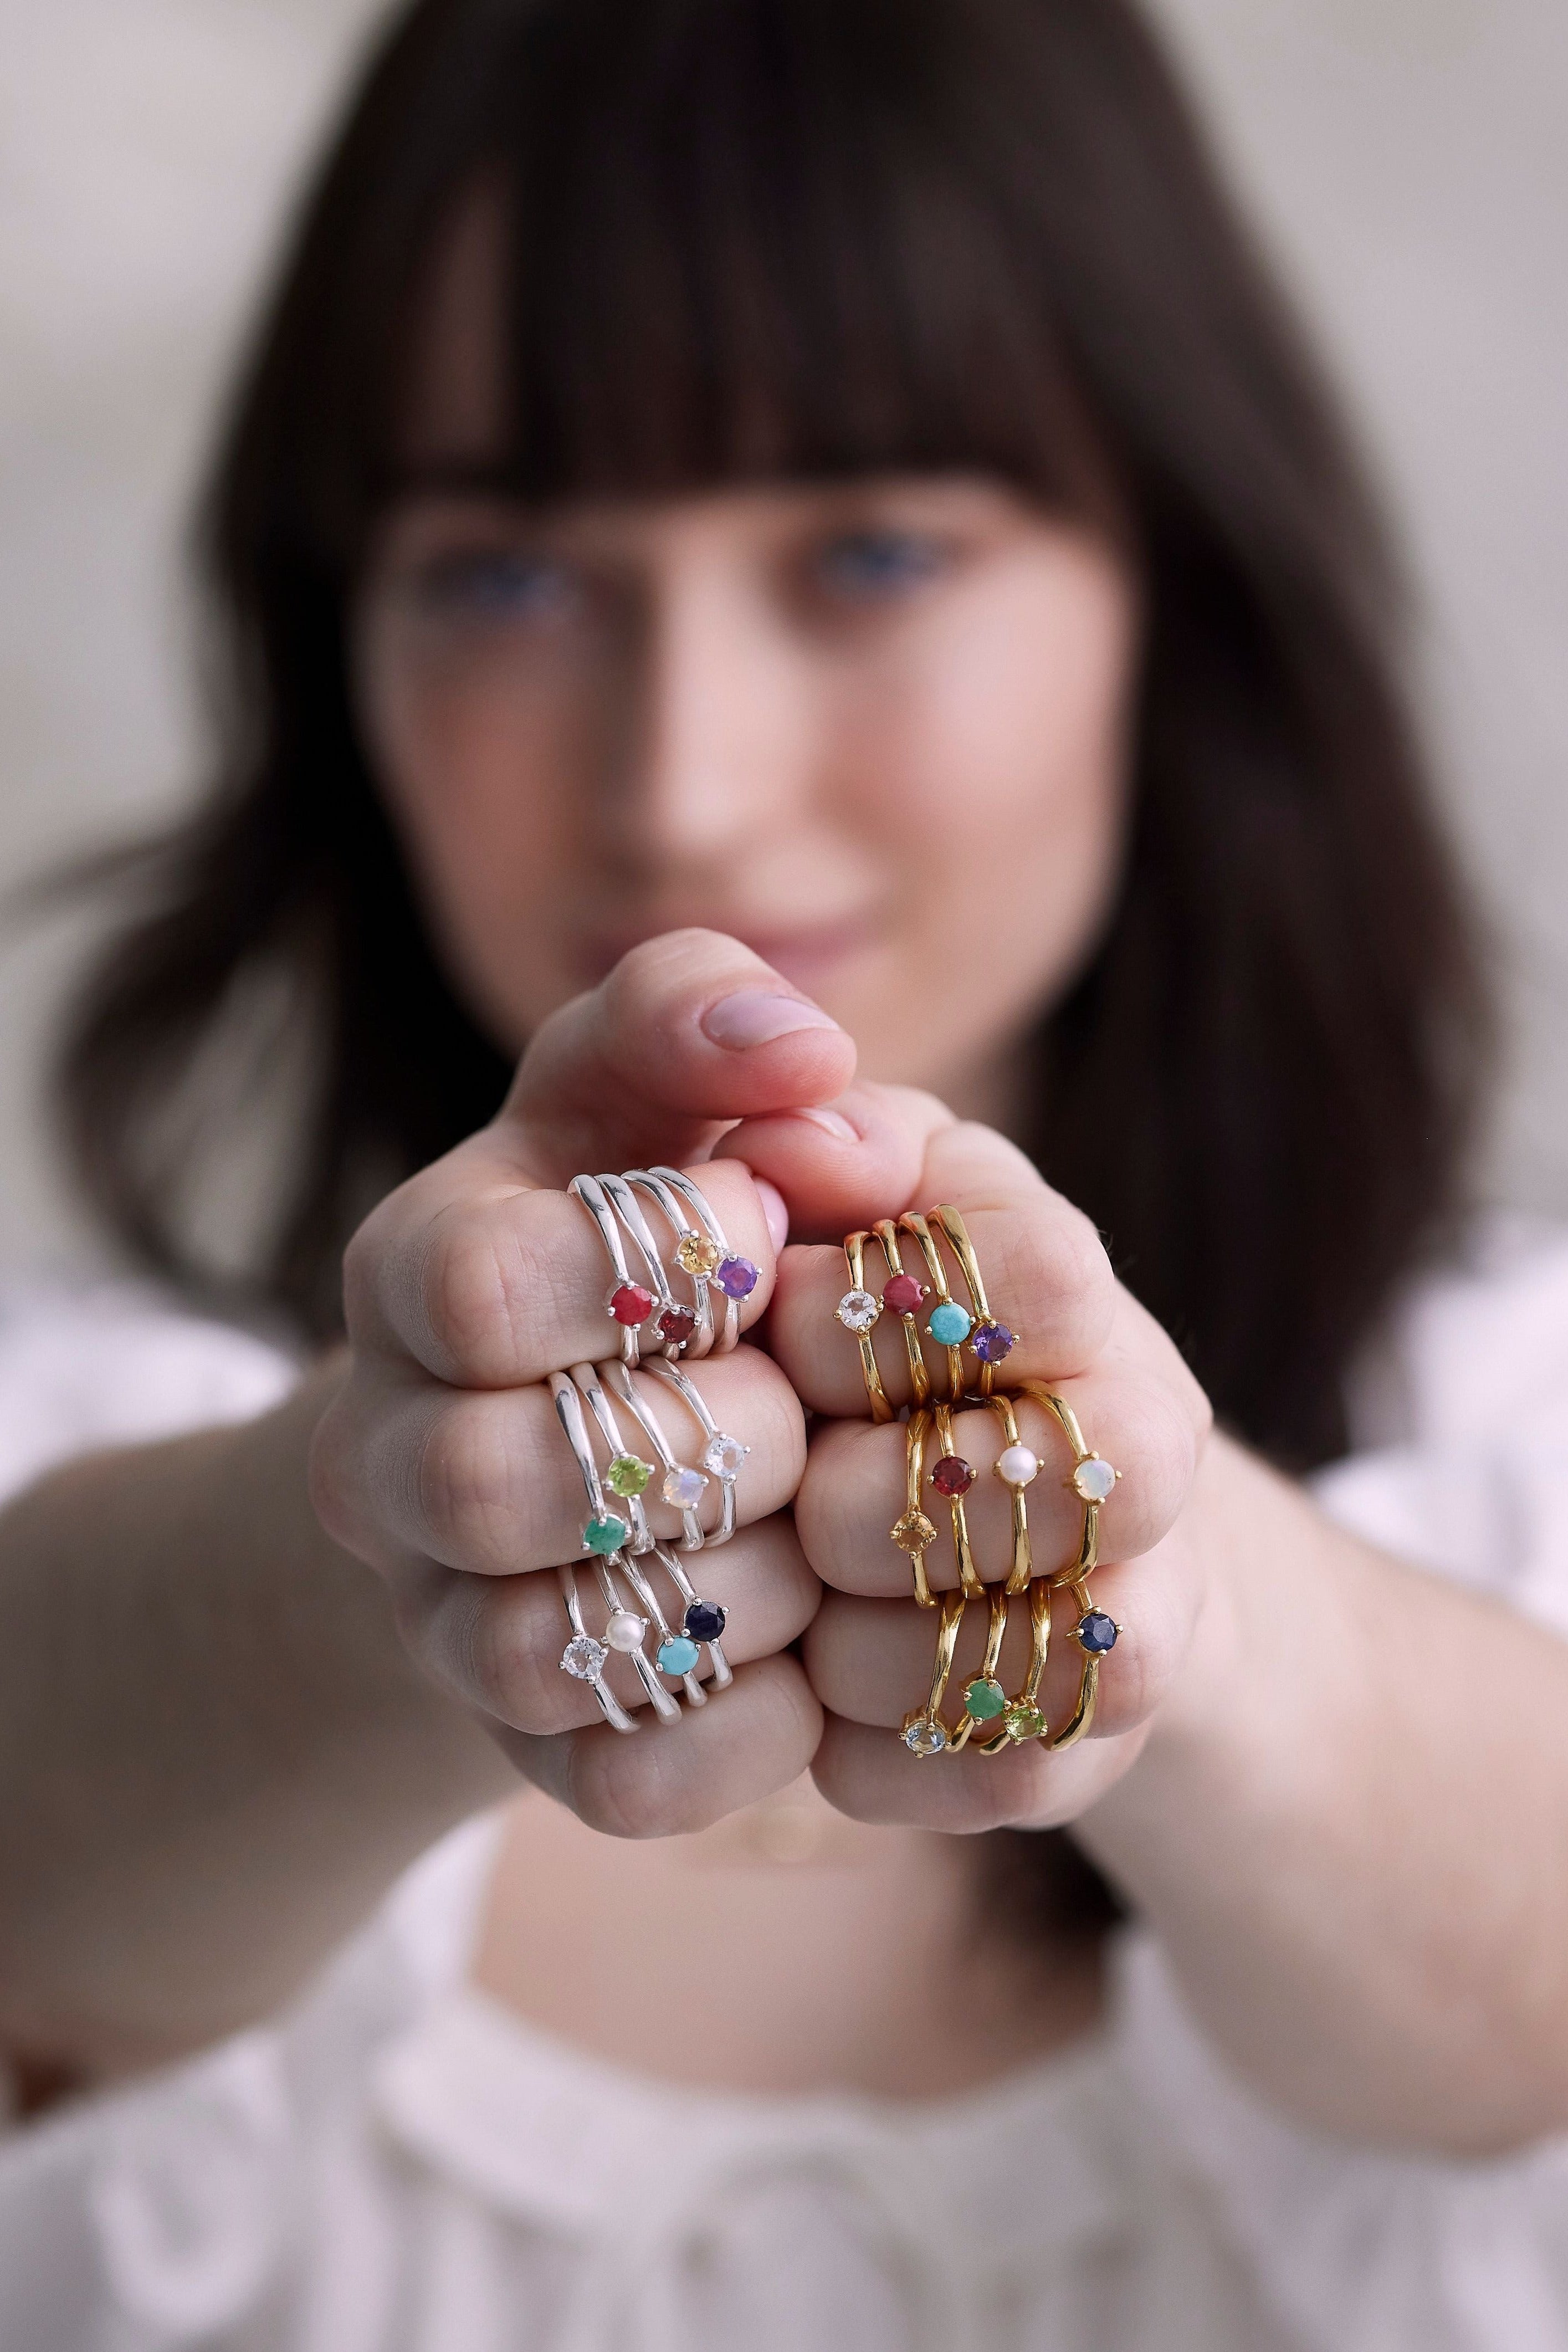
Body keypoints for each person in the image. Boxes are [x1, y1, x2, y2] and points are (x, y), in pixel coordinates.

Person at [3, 0, 1568, 2343]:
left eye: (868, 548)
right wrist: (392, 1523)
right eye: (506, 577)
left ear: (1171, 586)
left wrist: (1168, 1564)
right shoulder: (74, 1448)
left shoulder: (1523, 1432)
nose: (686, 790)